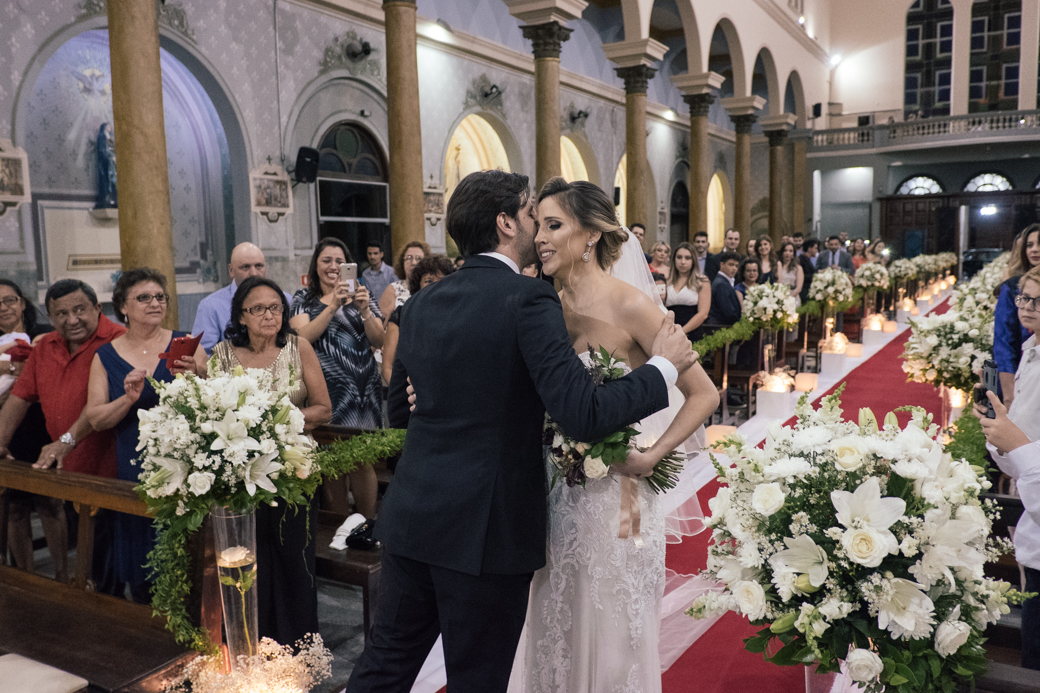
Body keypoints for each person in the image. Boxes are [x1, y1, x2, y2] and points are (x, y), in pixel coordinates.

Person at [346, 170, 698, 693]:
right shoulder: (528, 300)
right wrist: (664, 368)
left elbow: (400, 412)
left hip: (413, 518)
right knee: (479, 678)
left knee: (383, 670)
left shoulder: (420, 303)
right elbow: (581, 411)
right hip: (487, 531)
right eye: (533, 214)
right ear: (505, 222)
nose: (537, 228)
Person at [511, 178, 717, 692]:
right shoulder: (542, 305)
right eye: (539, 224)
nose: (540, 236)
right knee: (555, 620)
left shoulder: (633, 306)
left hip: (620, 499)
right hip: (556, 494)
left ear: (591, 235)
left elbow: (703, 393)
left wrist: (653, 454)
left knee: (611, 632)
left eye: (554, 225)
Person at [212, 276, 332, 646]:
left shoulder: (299, 347)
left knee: (294, 560)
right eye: (258, 308)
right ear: (241, 316)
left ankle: (298, 649)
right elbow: (215, 414)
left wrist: (283, 419)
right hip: (241, 474)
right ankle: (252, 644)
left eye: (276, 307)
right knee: (250, 557)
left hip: (295, 470)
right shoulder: (222, 355)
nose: (269, 315)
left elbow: (324, 409)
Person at [86, 268, 207, 603]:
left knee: (189, 561)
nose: (155, 303)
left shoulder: (187, 345)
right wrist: (127, 398)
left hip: (186, 463)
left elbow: (213, 403)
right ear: (123, 306)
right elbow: (96, 419)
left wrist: (197, 375)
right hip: (135, 463)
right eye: (143, 298)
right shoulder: (106, 356)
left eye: (160, 297)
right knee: (144, 568)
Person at [0, 279, 125, 593]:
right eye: (61, 313)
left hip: (115, 472)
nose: (72, 319)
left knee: (117, 566)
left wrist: (65, 441)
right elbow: (20, 396)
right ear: (49, 317)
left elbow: (98, 405)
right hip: (72, 472)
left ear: (98, 308)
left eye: (80, 309)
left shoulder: (118, 341)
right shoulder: (45, 347)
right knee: (90, 562)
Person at [972, 263, 1040, 671]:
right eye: (1023, 298)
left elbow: (1027, 445)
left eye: (1038, 300)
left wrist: (1017, 446)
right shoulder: (1030, 349)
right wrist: (996, 429)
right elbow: (1022, 432)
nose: (1027, 307)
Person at [291, 238, 383, 519]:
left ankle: (367, 527)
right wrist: (332, 306)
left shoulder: (363, 296)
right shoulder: (303, 299)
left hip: (363, 390)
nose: (334, 267)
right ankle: (339, 530)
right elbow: (301, 339)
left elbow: (379, 339)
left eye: (340, 262)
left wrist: (365, 310)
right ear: (315, 265)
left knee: (362, 460)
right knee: (331, 461)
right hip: (326, 391)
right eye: (326, 261)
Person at [0, 280, 67, 582]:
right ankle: (27, 579)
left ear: (23, 303)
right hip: (6, 428)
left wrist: (11, 370)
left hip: (40, 423)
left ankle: (65, 577)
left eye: (10, 300)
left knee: (50, 501)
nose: (4, 307)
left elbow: (47, 373)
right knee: (15, 507)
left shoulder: (45, 333)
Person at [192, 242, 291, 355]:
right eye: (245, 267)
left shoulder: (285, 299)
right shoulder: (210, 306)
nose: (253, 273)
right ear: (231, 270)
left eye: (259, 266)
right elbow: (202, 355)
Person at [382, 255, 456, 385]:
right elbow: (387, 367)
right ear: (418, 284)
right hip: (408, 395)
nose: (436, 286)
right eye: (428, 281)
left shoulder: (457, 316)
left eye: (442, 280)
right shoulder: (401, 314)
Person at [994, 224, 1040, 406]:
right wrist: (1008, 394)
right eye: (1029, 245)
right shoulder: (1012, 286)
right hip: (1019, 371)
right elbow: (1003, 342)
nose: (1035, 249)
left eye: (1039, 244)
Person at [665, 242, 711, 342]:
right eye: (679, 257)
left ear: (693, 260)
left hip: (692, 333)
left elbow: (703, 314)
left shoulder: (702, 281)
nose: (683, 262)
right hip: (669, 333)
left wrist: (681, 331)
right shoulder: (667, 282)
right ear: (674, 259)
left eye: (687, 258)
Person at [378, 240, 430, 321]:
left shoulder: (431, 288)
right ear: (402, 262)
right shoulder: (393, 289)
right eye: (409, 258)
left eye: (419, 258)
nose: (413, 262)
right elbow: (383, 326)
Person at [707, 252, 742, 326]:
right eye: (731, 264)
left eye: (736, 266)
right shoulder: (721, 284)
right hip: (721, 327)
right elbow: (729, 313)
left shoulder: (722, 281)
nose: (734, 268)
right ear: (722, 264)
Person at [362, 241, 398, 310]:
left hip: (390, 311)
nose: (372, 257)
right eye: (369, 254)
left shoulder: (391, 272)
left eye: (375, 253)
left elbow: (398, 294)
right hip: (372, 313)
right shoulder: (365, 274)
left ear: (381, 254)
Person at [799, 238, 820, 304]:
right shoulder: (801, 260)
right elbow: (802, 276)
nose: (816, 250)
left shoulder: (808, 260)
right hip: (803, 292)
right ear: (809, 249)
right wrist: (816, 275)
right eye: (815, 248)